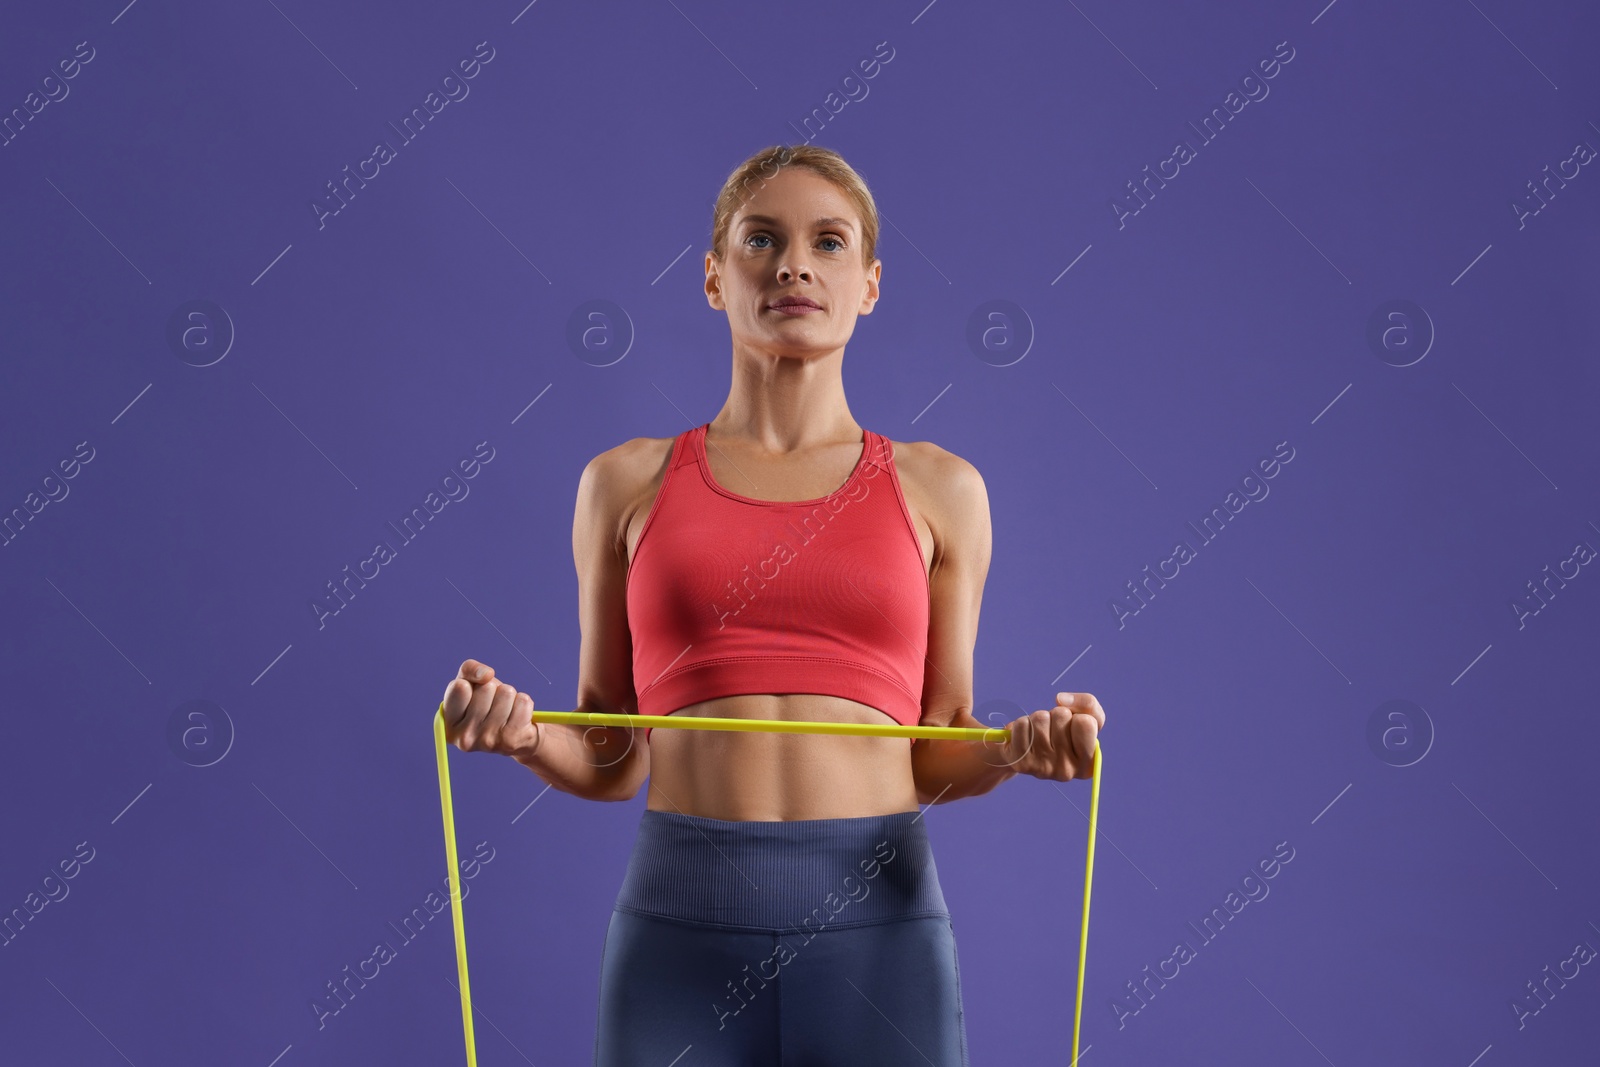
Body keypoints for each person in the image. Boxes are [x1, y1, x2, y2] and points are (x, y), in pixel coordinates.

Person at [439, 143, 1106, 1066]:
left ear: (869, 284)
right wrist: (517, 733)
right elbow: (608, 751)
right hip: (679, 930)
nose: (795, 263)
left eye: (828, 243)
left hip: (883, 928)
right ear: (715, 278)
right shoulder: (622, 483)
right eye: (762, 239)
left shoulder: (943, 489)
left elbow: (937, 743)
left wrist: (1015, 750)